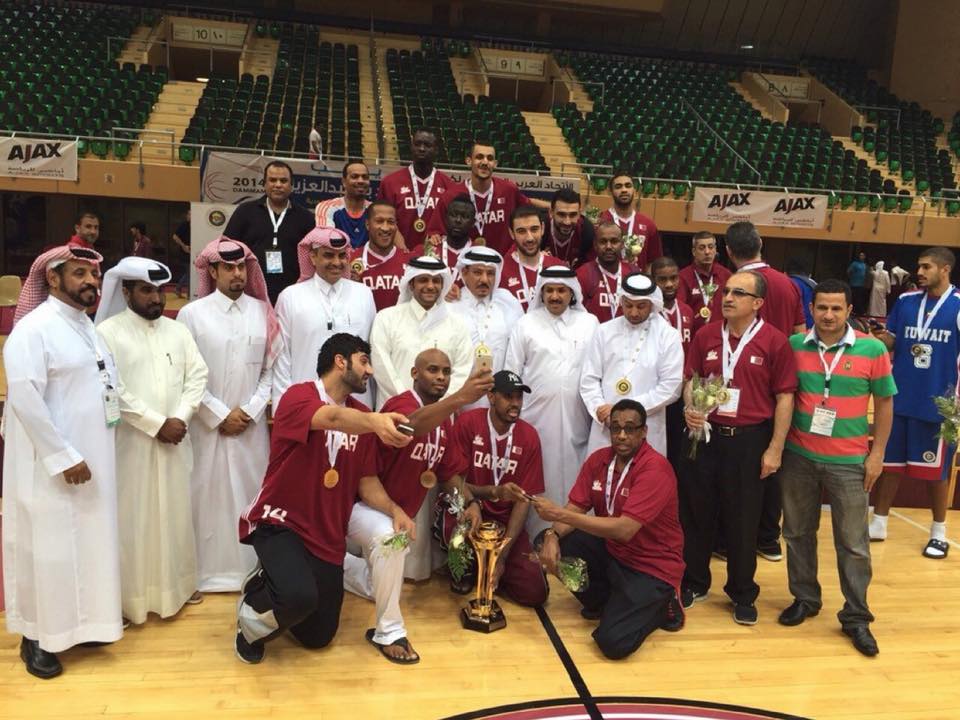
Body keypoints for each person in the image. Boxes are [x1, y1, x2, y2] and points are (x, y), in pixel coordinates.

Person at [235, 333, 414, 664]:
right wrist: (374, 421)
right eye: (364, 360)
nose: (370, 371)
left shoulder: (361, 415)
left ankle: (277, 585)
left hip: (326, 533)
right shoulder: (298, 396)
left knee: (318, 637)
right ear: (340, 361)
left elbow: (367, 482)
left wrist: (394, 509)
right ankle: (250, 619)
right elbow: (331, 418)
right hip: (281, 522)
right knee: (297, 597)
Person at [3, 245, 122, 679]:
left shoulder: (91, 329)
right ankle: (36, 637)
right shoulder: (33, 330)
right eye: (79, 273)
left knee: (88, 544)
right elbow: (25, 398)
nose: (91, 281)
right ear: (52, 279)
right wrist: (63, 456)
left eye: (94, 273)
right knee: (48, 550)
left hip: (96, 461)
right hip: (51, 468)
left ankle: (82, 624)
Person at [779, 279, 895, 657]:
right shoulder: (795, 346)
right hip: (799, 456)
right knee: (797, 533)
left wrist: (876, 455)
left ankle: (857, 616)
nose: (828, 315)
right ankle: (805, 598)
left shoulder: (873, 349)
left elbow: (885, 403)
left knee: (854, 543)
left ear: (849, 312)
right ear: (811, 309)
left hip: (850, 461)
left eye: (836, 308)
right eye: (822, 308)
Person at [95, 257, 209, 624]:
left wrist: (181, 417)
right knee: (135, 519)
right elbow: (111, 389)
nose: (155, 298)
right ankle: (132, 601)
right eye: (146, 290)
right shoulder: (107, 333)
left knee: (175, 514)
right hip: (133, 444)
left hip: (176, 439)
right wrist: (156, 423)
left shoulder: (178, 331)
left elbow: (198, 376)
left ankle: (177, 589)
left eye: (159, 290)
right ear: (125, 291)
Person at [680, 270, 797, 624]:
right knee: (697, 514)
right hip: (706, 436)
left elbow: (785, 397)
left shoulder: (775, 341)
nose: (728, 298)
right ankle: (695, 581)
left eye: (738, 293)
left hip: (749, 440)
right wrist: (691, 408)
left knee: (742, 520)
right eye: (726, 291)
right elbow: (691, 381)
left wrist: (775, 448)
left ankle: (742, 592)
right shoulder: (705, 335)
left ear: (758, 303)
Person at [532, 399, 685, 659]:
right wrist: (551, 534)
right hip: (616, 554)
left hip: (651, 567)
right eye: (615, 428)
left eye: (630, 428)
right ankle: (603, 601)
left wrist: (558, 514)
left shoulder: (655, 468)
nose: (621, 435)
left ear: (643, 432)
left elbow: (624, 530)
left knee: (613, 643)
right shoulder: (599, 461)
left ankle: (664, 603)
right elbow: (576, 507)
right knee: (547, 542)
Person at [347, 352, 492, 624]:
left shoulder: (447, 420)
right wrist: (460, 397)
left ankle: (336, 564)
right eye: (433, 370)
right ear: (414, 374)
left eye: (446, 372)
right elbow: (410, 427)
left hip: (399, 514)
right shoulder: (400, 404)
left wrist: (468, 504)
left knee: (374, 586)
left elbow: (449, 474)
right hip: (364, 504)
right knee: (388, 556)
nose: (441, 377)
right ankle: (389, 629)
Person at [176, 238, 278, 592]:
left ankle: (252, 571)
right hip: (207, 427)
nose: (236, 274)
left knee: (252, 495)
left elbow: (270, 370)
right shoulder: (192, 314)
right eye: (228, 267)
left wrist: (249, 412)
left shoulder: (263, 310)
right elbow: (186, 376)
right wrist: (218, 415)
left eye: (241, 268)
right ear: (213, 270)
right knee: (205, 495)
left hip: (250, 428)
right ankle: (205, 573)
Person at [704, 221, 806, 561]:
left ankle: (725, 541)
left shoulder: (728, 284)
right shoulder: (789, 285)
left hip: (753, 384)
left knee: (736, 479)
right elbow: (800, 333)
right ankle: (767, 538)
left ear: (728, 252)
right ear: (761, 243)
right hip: (774, 390)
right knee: (769, 469)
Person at [869, 247, 960, 559]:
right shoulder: (907, 301)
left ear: (945, 269)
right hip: (899, 396)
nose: (919, 272)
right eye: (919, 267)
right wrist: (880, 337)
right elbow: (894, 340)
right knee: (889, 465)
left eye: (926, 267)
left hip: (940, 403)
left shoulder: (959, 306)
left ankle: (939, 532)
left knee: (938, 471)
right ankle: (878, 521)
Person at [442, 370, 548, 607]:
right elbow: (452, 479)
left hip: (506, 523)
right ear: (491, 396)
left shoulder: (529, 436)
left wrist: (502, 557)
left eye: (519, 397)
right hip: (470, 513)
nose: (515, 404)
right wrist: (476, 502)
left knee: (535, 594)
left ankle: (496, 569)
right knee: (460, 571)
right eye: (508, 396)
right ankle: (471, 568)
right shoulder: (468, 423)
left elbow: (523, 500)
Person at [504, 265, 599, 526]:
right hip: (534, 420)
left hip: (577, 421)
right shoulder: (525, 324)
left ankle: (569, 543)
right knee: (536, 480)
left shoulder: (589, 324)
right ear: (541, 293)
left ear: (572, 293)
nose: (555, 296)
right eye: (549, 290)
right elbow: (512, 372)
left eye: (561, 290)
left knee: (576, 481)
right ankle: (533, 546)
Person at [581, 272, 683, 458]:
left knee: (644, 480)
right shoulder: (604, 331)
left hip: (647, 425)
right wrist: (600, 409)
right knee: (602, 480)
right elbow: (589, 379)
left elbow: (671, 387)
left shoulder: (667, 335)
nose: (634, 312)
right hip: (606, 424)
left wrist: (624, 412)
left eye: (641, 306)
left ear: (652, 304)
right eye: (628, 305)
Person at [275, 227, 377, 409]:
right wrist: (285, 406)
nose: (337, 262)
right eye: (329, 255)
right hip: (306, 403)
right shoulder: (290, 297)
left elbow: (371, 351)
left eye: (342, 256)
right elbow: (282, 357)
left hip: (356, 404)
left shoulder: (364, 294)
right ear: (313, 257)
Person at [369, 255, 473, 409]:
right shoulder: (386, 318)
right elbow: (382, 368)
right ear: (411, 284)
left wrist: (436, 408)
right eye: (423, 280)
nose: (430, 286)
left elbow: (462, 371)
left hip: (439, 415)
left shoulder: (458, 325)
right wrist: (408, 403)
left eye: (436, 281)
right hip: (393, 412)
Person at [426, 141, 546, 256]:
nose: (485, 162)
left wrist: (551, 207)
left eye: (489, 158)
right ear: (469, 161)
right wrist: (434, 236)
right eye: (479, 157)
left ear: (495, 163)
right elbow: (434, 233)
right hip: (468, 266)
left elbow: (529, 205)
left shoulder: (508, 190)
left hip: (505, 263)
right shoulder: (451, 196)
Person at [222, 160, 315, 303]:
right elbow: (227, 246)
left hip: (293, 293)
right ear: (264, 184)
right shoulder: (245, 211)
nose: (278, 185)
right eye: (272, 180)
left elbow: (313, 256)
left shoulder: (306, 217)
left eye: (283, 181)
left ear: (291, 186)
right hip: (250, 292)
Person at [448, 246, 524, 407]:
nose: (484, 279)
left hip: (500, 396)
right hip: (458, 396)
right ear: (464, 273)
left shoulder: (508, 302)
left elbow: (520, 350)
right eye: (477, 272)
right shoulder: (450, 304)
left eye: (490, 273)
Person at [377, 128, 454, 249]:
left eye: (427, 145)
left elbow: (452, 225)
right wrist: (396, 238)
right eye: (417, 144)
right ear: (411, 147)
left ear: (436, 150)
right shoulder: (390, 182)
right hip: (397, 252)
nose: (422, 149)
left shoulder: (449, 186)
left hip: (435, 257)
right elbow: (380, 220)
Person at [651, 257, 695, 472]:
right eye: (662, 279)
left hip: (681, 392)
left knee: (678, 448)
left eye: (673, 278)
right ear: (653, 281)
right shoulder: (648, 313)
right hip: (655, 391)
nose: (669, 284)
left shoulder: (687, 311)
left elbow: (693, 351)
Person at [349, 200, 411, 311]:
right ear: (368, 224)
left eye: (391, 222)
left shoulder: (409, 261)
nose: (385, 228)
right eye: (379, 221)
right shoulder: (351, 260)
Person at [499, 205, 563, 311]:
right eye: (521, 231)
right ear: (511, 233)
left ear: (542, 228)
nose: (529, 238)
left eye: (534, 229)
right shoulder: (499, 271)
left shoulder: (559, 267)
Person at [597, 171, 663, 270]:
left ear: (634, 190)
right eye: (618, 186)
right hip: (607, 281)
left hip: (637, 282)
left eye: (628, 186)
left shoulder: (648, 224)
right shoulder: (600, 221)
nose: (624, 190)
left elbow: (653, 262)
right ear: (610, 192)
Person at [410, 193, 476, 292]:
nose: (458, 220)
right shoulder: (425, 251)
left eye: (465, 216)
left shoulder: (479, 254)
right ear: (445, 218)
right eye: (453, 215)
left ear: (473, 223)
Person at [576, 222, 636, 323]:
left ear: (622, 244)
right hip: (594, 337)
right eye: (603, 242)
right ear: (595, 245)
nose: (608, 246)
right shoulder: (582, 274)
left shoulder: (633, 274)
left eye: (614, 241)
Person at [678, 231, 731, 333]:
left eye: (711, 247)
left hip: (721, 334)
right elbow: (680, 309)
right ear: (694, 251)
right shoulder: (683, 277)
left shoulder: (726, 275)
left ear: (715, 250)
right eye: (702, 248)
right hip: (693, 334)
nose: (707, 252)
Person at [316, 161, 374, 249]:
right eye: (354, 177)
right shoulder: (327, 207)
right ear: (344, 182)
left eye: (365, 177)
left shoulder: (375, 210)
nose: (361, 181)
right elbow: (326, 243)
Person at [542, 187, 594, 267]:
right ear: (551, 212)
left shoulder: (587, 232)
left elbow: (590, 269)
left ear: (579, 213)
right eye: (561, 214)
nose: (567, 222)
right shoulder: (540, 228)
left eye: (573, 215)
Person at [787, 259, 817, 329]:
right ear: (809, 275)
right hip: (810, 330)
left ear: (785, 273)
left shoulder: (788, 284)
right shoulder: (815, 286)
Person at [172, 209, 191, 297]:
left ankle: (179, 288)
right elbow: (175, 236)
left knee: (189, 272)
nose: (188, 216)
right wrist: (183, 246)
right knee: (189, 272)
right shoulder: (184, 225)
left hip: (193, 251)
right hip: (184, 252)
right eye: (188, 214)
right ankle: (183, 290)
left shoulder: (196, 225)